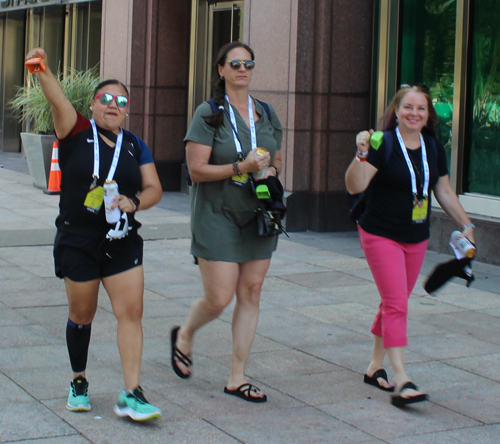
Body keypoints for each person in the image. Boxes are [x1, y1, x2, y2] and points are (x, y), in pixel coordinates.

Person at [25, 48, 163, 420]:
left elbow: (154, 188)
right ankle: (79, 380)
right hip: (78, 241)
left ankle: (132, 392)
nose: (114, 105)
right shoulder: (76, 130)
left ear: (127, 109)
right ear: (93, 104)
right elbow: (57, 99)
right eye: (106, 98)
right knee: (82, 315)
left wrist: (136, 202)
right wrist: (42, 70)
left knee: (131, 313)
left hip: (121, 241)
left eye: (121, 100)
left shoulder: (135, 144)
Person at [345, 83, 476, 406]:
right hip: (379, 233)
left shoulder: (433, 147)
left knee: (396, 300)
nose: (414, 113)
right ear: (397, 111)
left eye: (421, 108)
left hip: (415, 235)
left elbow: (443, 191)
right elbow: (355, 186)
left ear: (428, 114)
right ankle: (402, 378)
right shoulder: (382, 143)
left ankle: (375, 367)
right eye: (408, 107)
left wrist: (467, 224)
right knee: (396, 304)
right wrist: (360, 154)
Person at [170, 42, 283, 403]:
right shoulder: (208, 112)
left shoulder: (265, 112)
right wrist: (241, 167)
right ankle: (185, 333)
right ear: (221, 69)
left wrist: (269, 171)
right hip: (215, 214)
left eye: (248, 63)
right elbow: (196, 171)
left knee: (251, 292)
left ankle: (237, 376)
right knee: (219, 297)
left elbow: (275, 160)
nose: (242, 69)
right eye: (234, 64)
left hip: (257, 215)